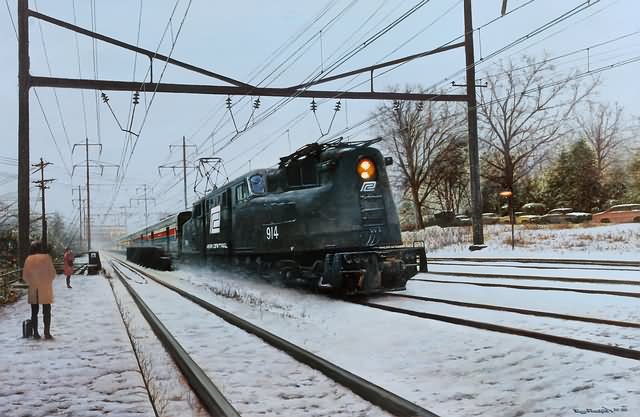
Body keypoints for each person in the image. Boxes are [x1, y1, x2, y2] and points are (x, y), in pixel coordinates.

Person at [22, 240, 57, 340]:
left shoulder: (28, 259)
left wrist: (33, 281)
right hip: (45, 289)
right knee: (47, 311)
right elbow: (53, 274)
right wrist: (46, 281)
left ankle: (36, 333)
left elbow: (25, 276)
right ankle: (47, 333)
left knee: (34, 312)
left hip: (34, 288)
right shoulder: (47, 258)